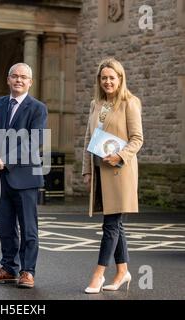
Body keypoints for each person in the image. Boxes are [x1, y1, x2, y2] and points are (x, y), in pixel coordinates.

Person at [0, 63, 48, 288]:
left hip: (25, 178)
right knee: (6, 227)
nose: (19, 80)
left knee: (28, 229)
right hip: (0, 178)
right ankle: (8, 268)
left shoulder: (37, 108)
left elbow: (35, 141)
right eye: (14, 76)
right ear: (8, 80)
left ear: (30, 82)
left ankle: (27, 271)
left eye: (23, 77)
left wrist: (8, 160)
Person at [82, 58, 143, 293]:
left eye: (112, 77)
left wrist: (119, 156)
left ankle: (98, 275)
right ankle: (122, 272)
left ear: (120, 79)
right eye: (104, 77)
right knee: (116, 225)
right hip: (99, 171)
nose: (108, 81)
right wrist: (87, 170)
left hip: (120, 172)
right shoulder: (95, 104)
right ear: (99, 80)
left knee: (110, 225)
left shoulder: (130, 102)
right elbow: (88, 138)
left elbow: (137, 139)